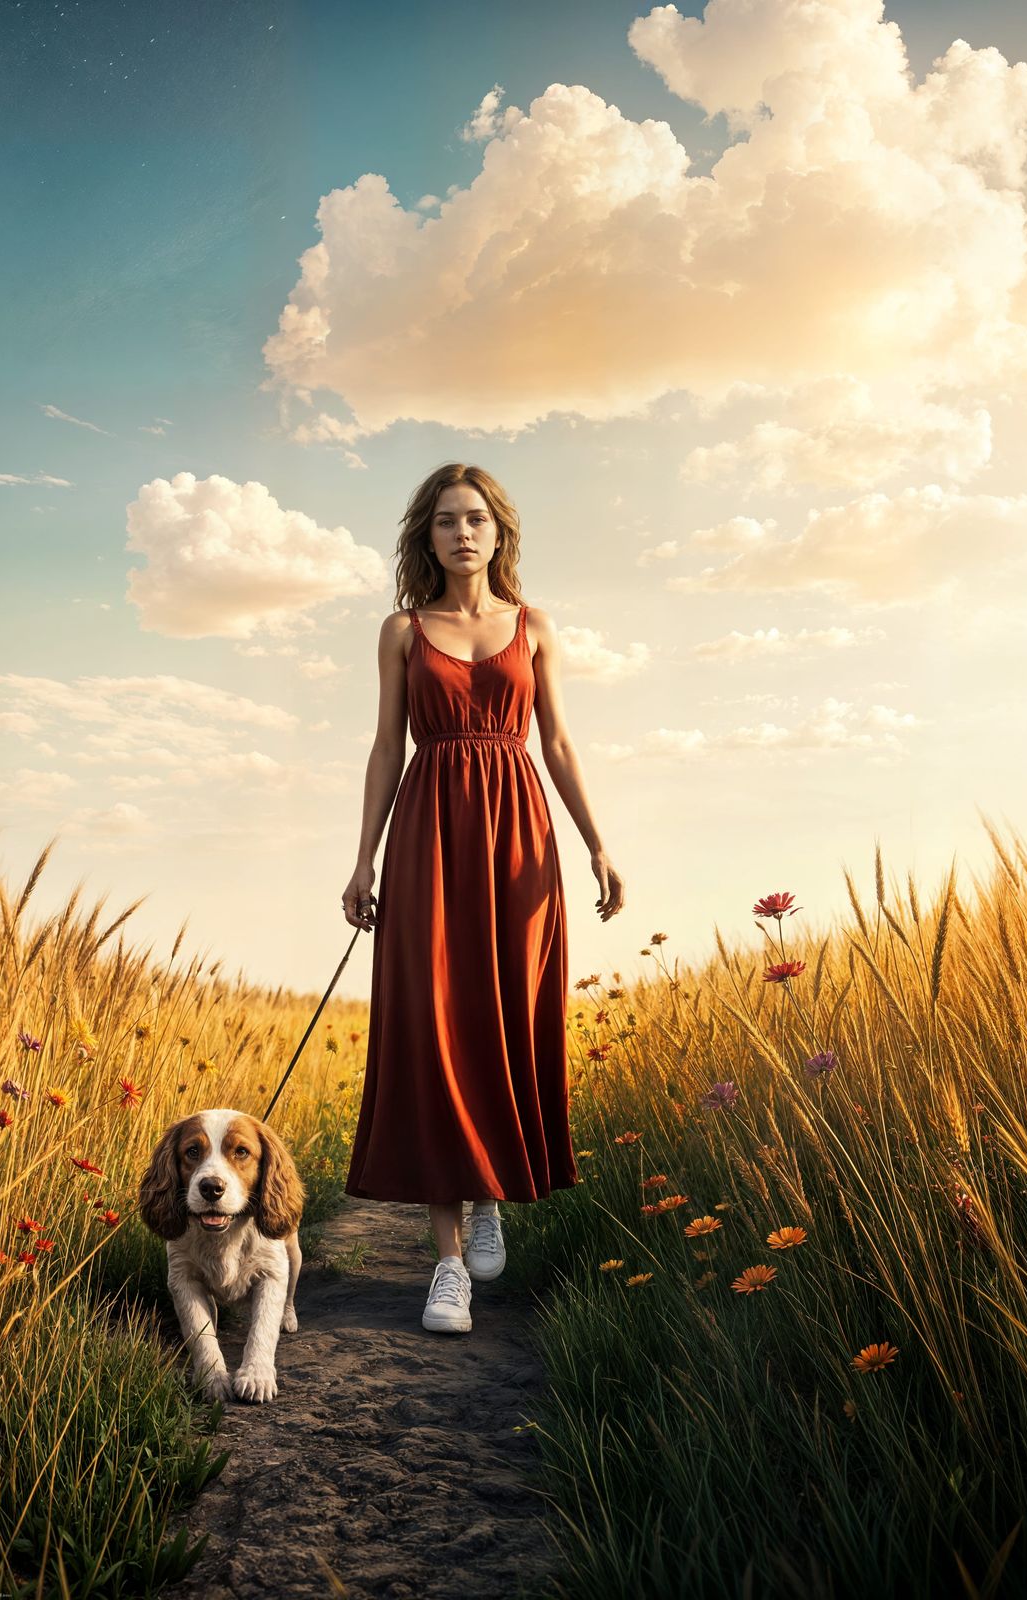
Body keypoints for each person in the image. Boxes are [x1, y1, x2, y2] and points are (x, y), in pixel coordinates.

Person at [340, 461, 624, 1335]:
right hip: (429, 832)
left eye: (474, 520)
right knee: (434, 1027)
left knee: (507, 1015)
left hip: (518, 836)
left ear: (498, 533)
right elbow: (387, 748)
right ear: (425, 538)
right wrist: (364, 862)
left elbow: (562, 744)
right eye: (443, 522)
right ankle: (449, 1262)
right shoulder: (399, 631)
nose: (461, 533)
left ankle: (490, 1186)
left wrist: (598, 841)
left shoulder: (534, 627)